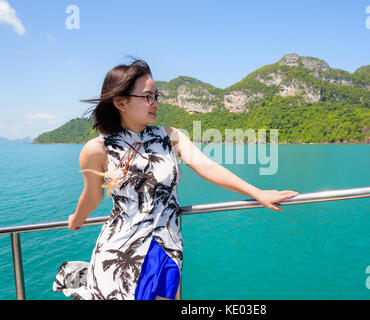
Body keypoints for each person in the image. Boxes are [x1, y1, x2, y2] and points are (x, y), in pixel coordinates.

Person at [53, 59, 299, 300]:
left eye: (156, 96)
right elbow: (93, 195)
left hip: (166, 245)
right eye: (147, 97)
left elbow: (207, 167)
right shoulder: (97, 150)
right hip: (121, 250)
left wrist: (258, 192)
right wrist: (76, 219)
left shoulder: (170, 137)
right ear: (120, 102)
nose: (155, 103)